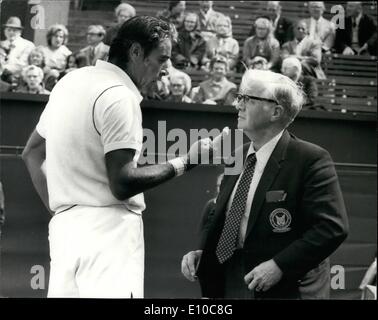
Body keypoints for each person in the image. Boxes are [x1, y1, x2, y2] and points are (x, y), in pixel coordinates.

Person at [22, 15, 215, 299]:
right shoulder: (120, 96)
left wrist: (66, 210)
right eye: (161, 59)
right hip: (109, 235)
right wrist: (186, 161)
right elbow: (122, 182)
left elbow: (31, 153)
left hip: (65, 230)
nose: (165, 71)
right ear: (136, 52)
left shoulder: (69, 82)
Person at [181, 69, 349, 299]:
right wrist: (203, 252)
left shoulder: (310, 159)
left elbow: (331, 228)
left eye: (247, 98)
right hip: (229, 282)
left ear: (276, 111)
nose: (237, 104)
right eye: (239, 97)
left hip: (281, 289)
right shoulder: (237, 156)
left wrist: (279, 265)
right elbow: (221, 215)